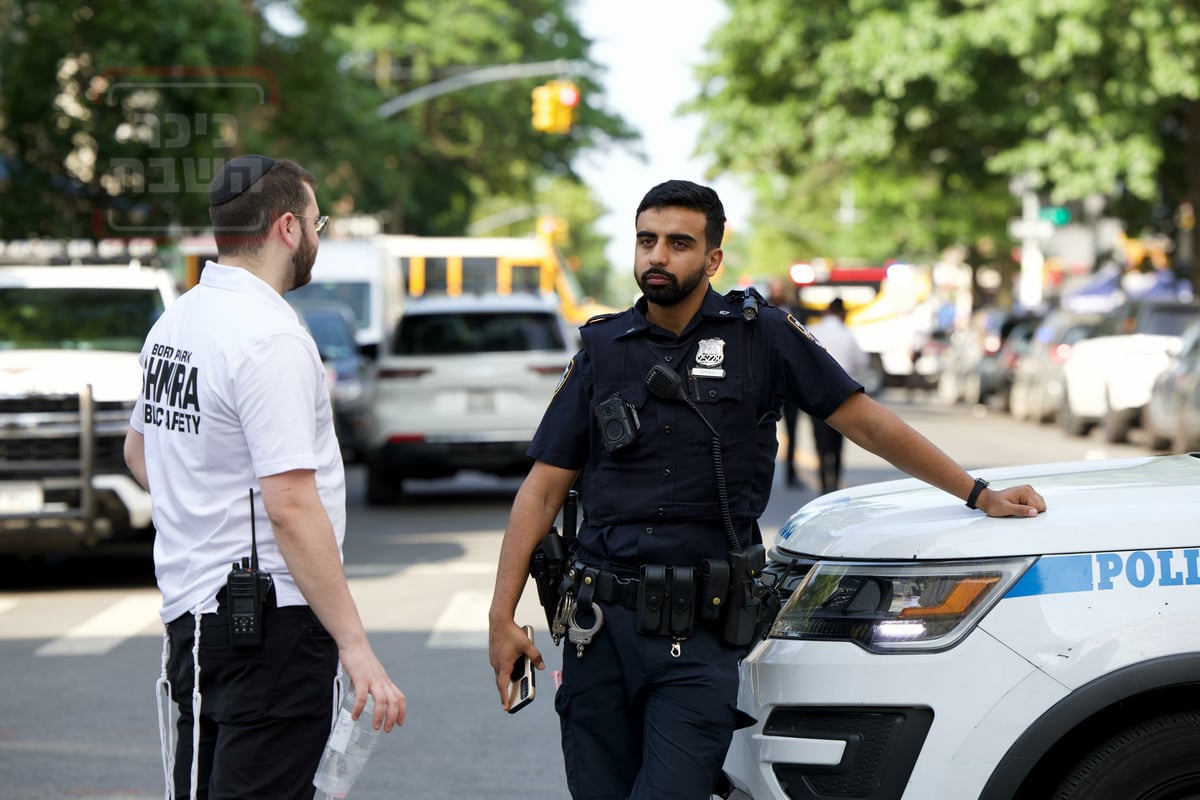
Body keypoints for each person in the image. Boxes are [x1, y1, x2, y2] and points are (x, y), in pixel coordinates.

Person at [487, 179, 1046, 800]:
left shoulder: (762, 336)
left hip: (697, 637)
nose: (657, 257)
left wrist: (977, 492)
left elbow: (864, 421)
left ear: (713, 258)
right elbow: (540, 492)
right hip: (599, 630)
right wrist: (500, 615)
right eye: (647, 241)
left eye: (678, 243)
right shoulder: (601, 347)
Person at [123, 154, 405, 799]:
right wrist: (355, 646)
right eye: (316, 223)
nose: (316, 237)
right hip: (270, 626)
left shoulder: (179, 321)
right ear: (286, 227)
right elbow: (289, 505)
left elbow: (140, 454)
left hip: (196, 618)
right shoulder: (271, 337)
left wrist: (201, 517)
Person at [808, 297, 869, 493]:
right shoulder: (847, 334)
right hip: (843, 396)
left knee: (820, 442)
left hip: (815, 393)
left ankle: (823, 483)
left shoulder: (813, 331)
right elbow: (861, 361)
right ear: (843, 314)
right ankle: (834, 484)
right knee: (838, 443)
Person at [766, 277, 803, 488]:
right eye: (775, 288)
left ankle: (791, 473)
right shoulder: (759, 309)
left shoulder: (793, 311)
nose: (777, 292)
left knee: (793, 430)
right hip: (766, 380)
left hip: (788, 380)